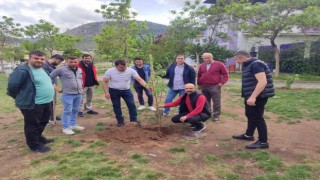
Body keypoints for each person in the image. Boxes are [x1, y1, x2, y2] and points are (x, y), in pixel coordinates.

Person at [7, 50, 54, 153]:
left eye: (42, 59)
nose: (39, 61)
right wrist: (22, 97)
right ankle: (34, 146)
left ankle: (38, 138)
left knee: (43, 122)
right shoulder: (22, 70)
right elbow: (12, 87)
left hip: (46, 102)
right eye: (36, 58)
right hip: (32, 104)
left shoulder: (42, 69)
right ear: (30, 58)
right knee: (32, 125)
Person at [232, 51, 275, 149]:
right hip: (251, 95)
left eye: (236, 59)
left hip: (258, 96)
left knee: (258, 117)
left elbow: (262, 82)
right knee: (250, 114)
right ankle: (248, 135)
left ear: (242, 57)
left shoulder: (256, 64)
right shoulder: (249, 64)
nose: (236, 61)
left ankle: (263, 142)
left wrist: (253, 97)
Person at [102, 59, 150, 127]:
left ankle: (133, 120)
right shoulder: (110, 71)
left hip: (126, 90)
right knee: (116, 106)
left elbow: (139, 79)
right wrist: (106, 92)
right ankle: (120, 121)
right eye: (121, 67)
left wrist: (146, 86)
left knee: (132, 105)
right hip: (114, 91)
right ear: (116, 66)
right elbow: (104, 81)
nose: (124, 68)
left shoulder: (131, 70)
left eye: (125, 67)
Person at [50, 56, 85, 135]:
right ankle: (66, 127)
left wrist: (81, 86)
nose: (73, 63)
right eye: (71, 62)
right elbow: (49, 77)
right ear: (66, 62)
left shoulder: (79, 69)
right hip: (67, 94)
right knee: (67, 111)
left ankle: (73, 124)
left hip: (78, 94)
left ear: (78, 62)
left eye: (75, 62)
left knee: (75, 110)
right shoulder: (61, 69)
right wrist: (56, 87)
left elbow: (80, 79)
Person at [197, 53, 229, 121]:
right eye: (204, 58)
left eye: (208, 58)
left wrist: (222, 82)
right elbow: (199, 75)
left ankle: (216, 115)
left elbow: (225, 74)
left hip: (215, 86)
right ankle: (208, 113)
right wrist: (199, 84)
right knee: (206, 101)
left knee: (216, 101)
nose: (206, 59)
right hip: (204, 86)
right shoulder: (202, 65)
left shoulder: (219, 64)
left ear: (212, 57)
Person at [42, 54, 64, 124]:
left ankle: (52, 116)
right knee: (48, 103)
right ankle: (47, 119)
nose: (59, 63)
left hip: (52, 88)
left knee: (53, 102)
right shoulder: (44, 65)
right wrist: (56, 87)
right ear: (54, 59)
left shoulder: (52, 66)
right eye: (59, 61)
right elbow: (46, 77)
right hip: (47, 88)